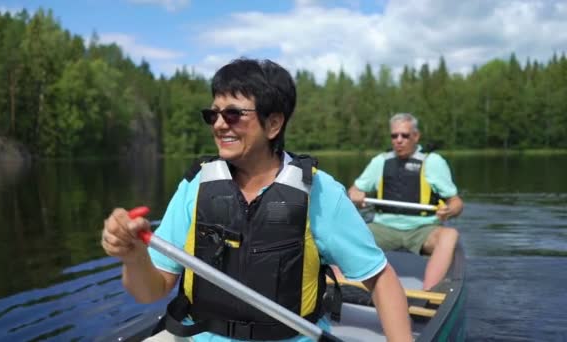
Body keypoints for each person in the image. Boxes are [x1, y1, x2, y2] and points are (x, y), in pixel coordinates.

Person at [101, 58, 412, 341]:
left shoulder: (319, 192)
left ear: (274, 124)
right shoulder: (196, 186)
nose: (220, 124)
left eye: (234, 114)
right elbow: (150, 291)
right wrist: (134, 257)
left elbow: (381, 280)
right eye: (214, 114)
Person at [348, 113, 463, 291]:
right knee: (347, 234)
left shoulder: (433, 162)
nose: (399, 140)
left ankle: (429, 293)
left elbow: (456, 202)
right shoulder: (380, 162)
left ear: (416, 136)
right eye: (394, 136)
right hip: (383, 227)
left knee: (450, 235)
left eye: (405, 135)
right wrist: (355, 195)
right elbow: (354, 190)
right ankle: (344, 285)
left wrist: (450, 210)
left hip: (422, 229)